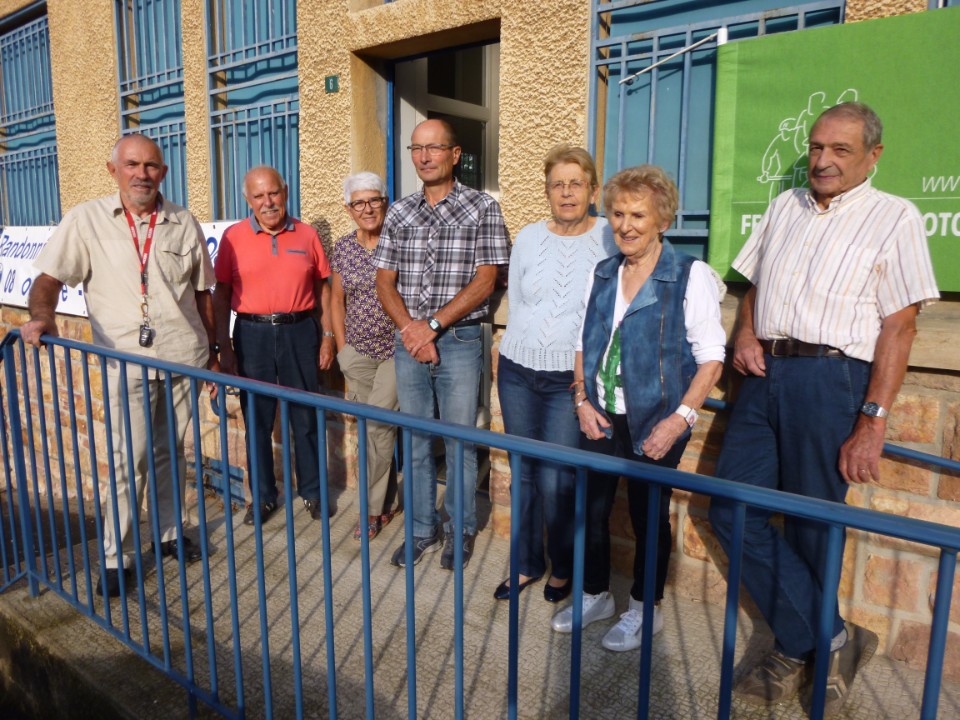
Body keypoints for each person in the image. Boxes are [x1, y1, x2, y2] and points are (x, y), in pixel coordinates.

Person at [707, 102, 939, 714]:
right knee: (731, 508)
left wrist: (872, 420)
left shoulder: (896, 217)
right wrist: (746, 334)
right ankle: (830, 636)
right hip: (762, 376)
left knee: (812, 524)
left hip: (832, 379)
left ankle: (794, 646)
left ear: (873, 156)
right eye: (816, 147)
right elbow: (755, 286)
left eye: (840, 149)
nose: (823, 160)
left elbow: (900, 326)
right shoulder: (785, 206)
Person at [22, 134, 218, 597]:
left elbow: (203, 293)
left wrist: (216, 352)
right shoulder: (86, 220)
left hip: (182, 359)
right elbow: (48, 279)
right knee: (129, 461)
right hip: (124, 362)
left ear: (163, 173)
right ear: (114, 170)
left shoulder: (183, 221)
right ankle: (118, 556)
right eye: (132, 164)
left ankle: (170, 533)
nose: (141, 174)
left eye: (151, 166)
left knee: (172, 452)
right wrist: (42, 317)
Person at [551, 165, 725, 653]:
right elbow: (584, 341)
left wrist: (679, 419)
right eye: (618, 214)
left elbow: (711, 358)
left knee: (650, 516)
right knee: (591, 508)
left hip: (658, 418)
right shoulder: (603, 272)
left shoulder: (689, 275)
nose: (625, 226)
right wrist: (582, 400)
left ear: (663, 220)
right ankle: (595, 594)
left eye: (638, 215)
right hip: (601, 412)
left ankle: (646, 609)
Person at [374, 118, 510, 570]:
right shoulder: (399, 212)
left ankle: (460, 530)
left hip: (460, 339)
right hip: (409, 341)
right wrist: (412, 331)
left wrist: (430, 326)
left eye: (434, 148)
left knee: (459, 442)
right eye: (417, 148)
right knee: (415, 440)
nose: (424, 156)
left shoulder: (482, 207)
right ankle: (421, 530)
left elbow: (486, 279)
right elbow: (384, 282)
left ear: (455, 155)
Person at [493, 144, 617, 603]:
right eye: (557, 185)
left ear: (593, 191)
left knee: (557, 478)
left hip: (570, 377)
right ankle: (527, 562)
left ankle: (563, 566)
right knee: (523, 472)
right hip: (517, 370)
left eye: (576, 184)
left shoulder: (610, 238)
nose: (566, 193)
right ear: (547, 191)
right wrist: (513, 350)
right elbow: (519, 303)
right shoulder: (527, 237)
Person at [213, 166, 334, 526]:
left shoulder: (307, 234)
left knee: (306, 418)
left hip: (300, 332)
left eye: (274, 193)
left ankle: (313, 492)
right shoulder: (233, 238)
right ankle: (263, 498)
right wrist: (224, 347)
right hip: (252, 335)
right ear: (248, 200)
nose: (268, 202)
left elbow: (323, 289)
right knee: (257, 421)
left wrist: (327, 336)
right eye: (259, 196)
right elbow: (221, 294)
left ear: (285, 192)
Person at [331, 172, 400, 541]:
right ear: (349, 209)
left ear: (385, 203)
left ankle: (371, 510)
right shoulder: (343, 248)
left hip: (394, 351)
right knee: (367, 430)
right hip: (357, 352)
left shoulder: (399, 241)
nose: (368, 208)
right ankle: (386, 501)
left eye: (374, 200)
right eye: (359, 202)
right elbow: (336, 300)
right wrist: (342, 349)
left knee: (378, 427)